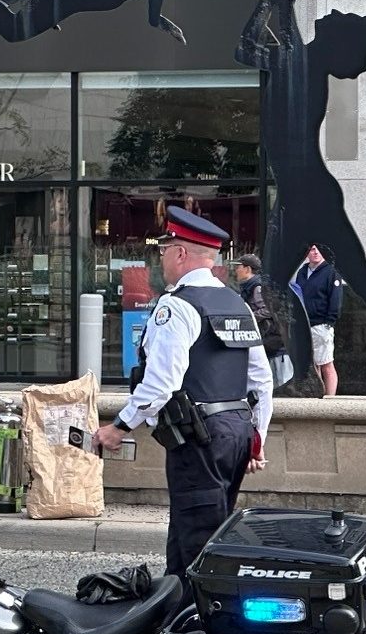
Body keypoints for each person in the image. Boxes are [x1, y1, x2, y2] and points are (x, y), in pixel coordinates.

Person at [96, 208, 274, 576]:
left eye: (164, 251)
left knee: (196, 541)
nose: (161, 260)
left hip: (199, 437)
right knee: (204, 530)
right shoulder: (235, 302)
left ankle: (198, 625)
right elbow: (262, 380)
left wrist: (119, 427)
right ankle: (176, 616)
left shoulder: (178, 306)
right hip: (235, 431)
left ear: (179, 253)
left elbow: (161, 382)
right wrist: (256, 439)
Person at [293, 244, 344, 396]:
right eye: (312, 249)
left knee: (326, 363)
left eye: (318, 249)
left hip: (322, 324)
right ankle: (316, 395)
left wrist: (329, 322)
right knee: (313, 364)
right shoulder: (302, 272)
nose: (315, 252)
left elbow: (336, 299)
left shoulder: (331, 271)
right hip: (304, 324)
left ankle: (329, 398)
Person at [234, 253, 291, 387]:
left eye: (239, 267)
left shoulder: (257, 287)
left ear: (248, 269)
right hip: (269, 340)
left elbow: (269, 310)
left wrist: (250, 317)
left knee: (279, 381)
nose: (236, 270)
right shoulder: (250, 286)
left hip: (273, 340)